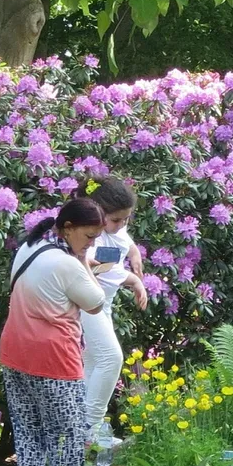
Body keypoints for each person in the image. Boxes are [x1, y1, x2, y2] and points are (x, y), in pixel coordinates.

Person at [0, 197, 106, 466]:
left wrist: (79, 255)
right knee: (68, 437)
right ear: (68, 228)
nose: (91, 244)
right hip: (54, 361)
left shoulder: (29, 247)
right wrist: (83, 261)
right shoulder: (67, 264)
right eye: (88, 237)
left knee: (28, 433)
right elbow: (96, 303)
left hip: (14, 353)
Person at [78, 179, 149, 434]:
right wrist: (134, 281)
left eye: (126, 219)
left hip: (103, 304)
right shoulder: (91, 237)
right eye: (116, 220)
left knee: (94, 361)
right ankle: (91, 428)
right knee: (110, 358)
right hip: (87, 305)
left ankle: (80, 427)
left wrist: (135, 254)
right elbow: (102, 271)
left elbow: (125, 239)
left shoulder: (116, 229)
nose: (121, 225)